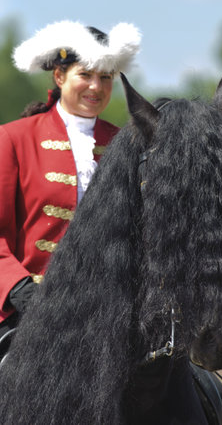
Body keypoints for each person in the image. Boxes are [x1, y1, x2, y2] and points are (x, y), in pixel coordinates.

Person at [0, 20, 141, 346]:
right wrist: (20, 289)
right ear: (60, 76)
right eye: (85, 75)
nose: (96, 86)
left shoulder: (127, 145)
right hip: (26, 312)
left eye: (106, 77)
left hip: (109, 314)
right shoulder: (13, 139)